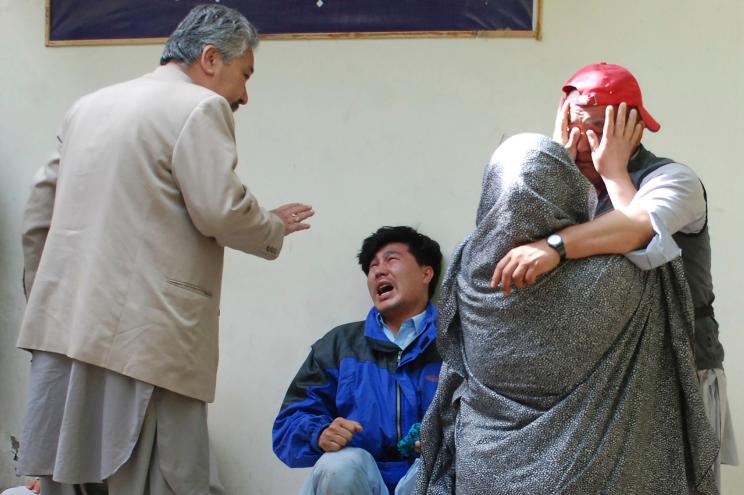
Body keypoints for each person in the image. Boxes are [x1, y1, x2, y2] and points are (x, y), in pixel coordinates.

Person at [16, 4, 313, 494]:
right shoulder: (200, 106)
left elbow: (37, 220)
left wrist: (47, 300)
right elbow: (218, 209)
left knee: (67, 478)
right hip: (146, 339)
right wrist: (270, 225)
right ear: (212, 58)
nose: (244, 95)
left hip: (64, 334)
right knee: (162, 480)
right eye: (245, 74)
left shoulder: (87, 106)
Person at [416, 133, 718, 494]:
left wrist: (558, 163)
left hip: (485, 466)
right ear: (565, 192)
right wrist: (615, 174)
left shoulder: (468, 267)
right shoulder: (612, 274)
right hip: (581, 469)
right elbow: (646, 246)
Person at [491, 62, 737, 487]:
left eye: (600, 127)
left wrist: (611, 176)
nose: (584, 141)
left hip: (678, 370)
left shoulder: (675, 180)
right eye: (574, 123)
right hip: (587, 384)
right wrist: (554, 169)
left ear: (634, 127)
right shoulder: (557, 184)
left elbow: (638, 233)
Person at [272, 226, 443, 495]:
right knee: (340, 464)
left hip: (427, 479)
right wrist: (319, 433)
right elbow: (287, 426)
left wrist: (447, 437)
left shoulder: (454, 344)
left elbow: (487, 415)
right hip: (358, 481)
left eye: (391, 260)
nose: (378, 271)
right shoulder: (339, 345)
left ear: (426, 273)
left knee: (441, 466)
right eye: (372, 267)